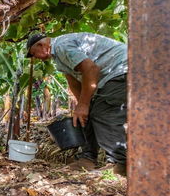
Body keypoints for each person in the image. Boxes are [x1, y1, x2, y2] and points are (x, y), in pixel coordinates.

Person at [26, 32, 127, 175]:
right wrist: (83, 105)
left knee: (104, 113)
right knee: (89, 114)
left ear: (42, 46)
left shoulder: (61, 46)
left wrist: (84, 105)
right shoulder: (59, 56)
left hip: (123, 70)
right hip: (115, 74)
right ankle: (88, 159)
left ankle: (121, 164)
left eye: (34, 54)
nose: (36, 59)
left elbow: (91, 69)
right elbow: (73, 81)